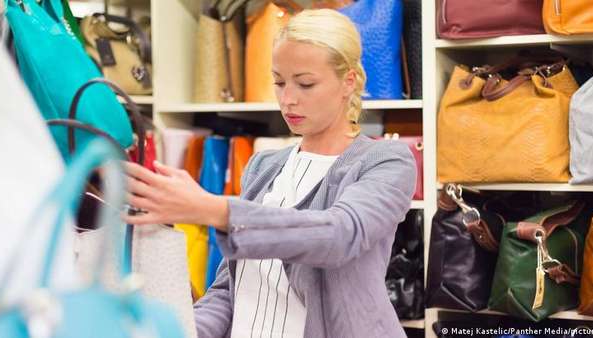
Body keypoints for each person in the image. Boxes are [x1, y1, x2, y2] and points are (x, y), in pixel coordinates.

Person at [124, 9, 416, 338]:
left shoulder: (386, 161)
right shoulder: (264, 167)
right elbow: (228, 292)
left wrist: (212, 208)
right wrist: (184, 331)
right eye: (278, 82)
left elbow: (338, 235)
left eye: (305, 84)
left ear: (348, 81)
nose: (287, 99)